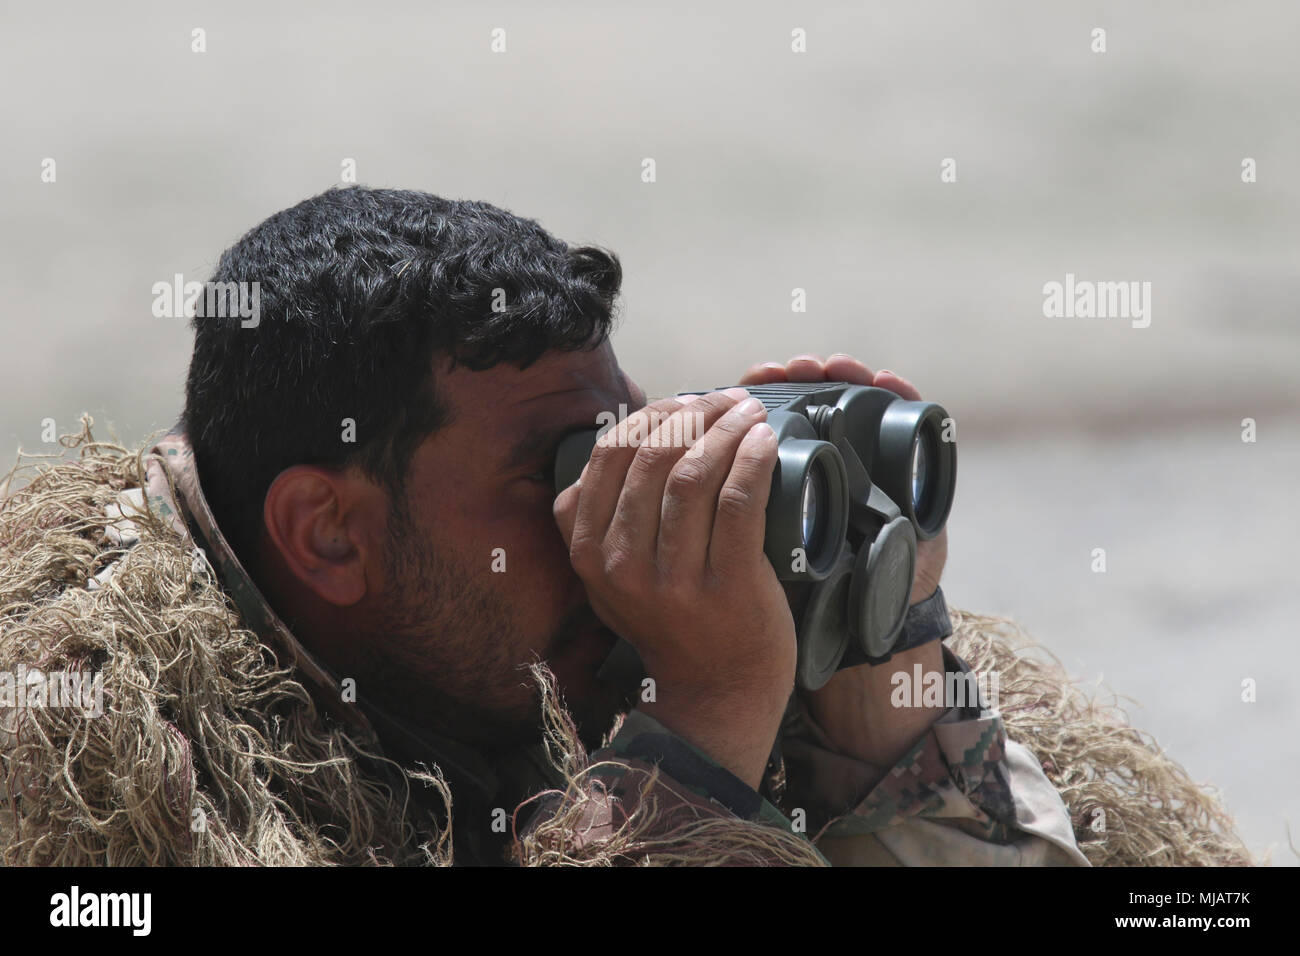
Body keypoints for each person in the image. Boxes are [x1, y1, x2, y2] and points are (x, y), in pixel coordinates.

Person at [101, 186, 1096, 864]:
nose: (608, 534)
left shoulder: (495, 668)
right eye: (558, 472)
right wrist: (704, 715)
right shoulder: (110, 767)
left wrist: (873, 668)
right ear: (329, 533)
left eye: (629, 443)